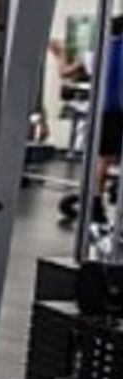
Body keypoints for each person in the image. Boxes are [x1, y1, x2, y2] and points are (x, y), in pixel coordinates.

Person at [59, 19, 121, 227]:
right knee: (105, 158)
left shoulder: (96, 54)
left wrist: (59, 54)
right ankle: (100, 201)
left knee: (103, 159)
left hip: (105, 110)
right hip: (115, 110)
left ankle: (96, 202)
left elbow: (64, 73)